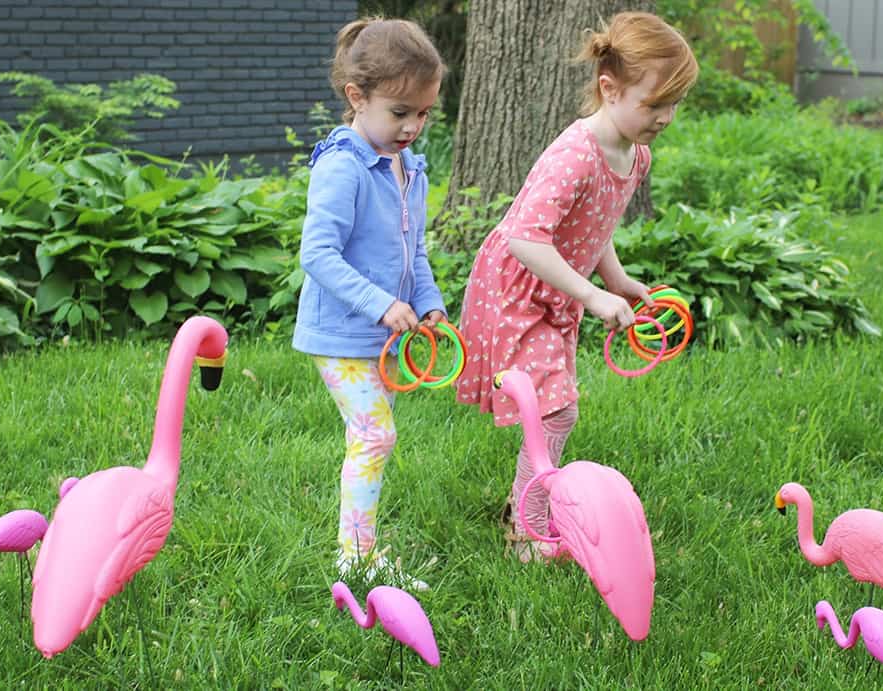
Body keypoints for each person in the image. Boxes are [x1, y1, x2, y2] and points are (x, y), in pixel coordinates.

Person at [455, 12, 698, 562]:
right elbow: (525, 239)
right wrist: (590, 295)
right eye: (654, 103)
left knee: (553, 407)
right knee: (557, 410)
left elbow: (595, 223)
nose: (665, 117)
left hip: (555, 290)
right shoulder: (574, 154)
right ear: (609, 89)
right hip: (517, 291)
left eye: (673, 104)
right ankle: (528, 528)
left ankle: (532, 506)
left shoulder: (636, 155)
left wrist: (615, 278)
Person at [293, 17, 447, 589]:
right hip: (340, 333)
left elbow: (416, 250)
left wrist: (427, 302)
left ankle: (360, 548)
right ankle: (355, 555)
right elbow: (318, 254)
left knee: (373, 435)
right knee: (375, 435)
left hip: (380, 335)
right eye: (400, 112)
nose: (413, 127)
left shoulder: (410, 167)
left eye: (424, 113)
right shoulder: (344, 165)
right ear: (357, 97)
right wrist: (381, 303)